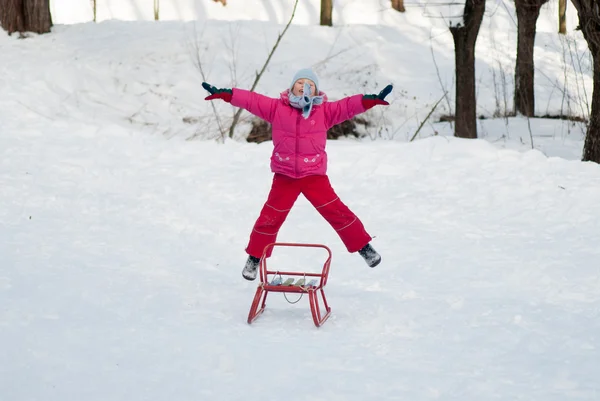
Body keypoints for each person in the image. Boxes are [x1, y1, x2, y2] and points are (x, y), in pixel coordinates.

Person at [202, 68, 392, 280]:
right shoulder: (277, 108)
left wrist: (370, 100)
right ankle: (254, 258)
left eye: (309, 84)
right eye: (300, 82)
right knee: (269, 218)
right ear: (292, 87)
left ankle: (364, 247)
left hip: (314, 176)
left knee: (337, 212)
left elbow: (347, 106)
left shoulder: (325, 111)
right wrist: (227, 94)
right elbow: (251, 101)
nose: (304, 86)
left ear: (316, 91)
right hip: (285, 176)